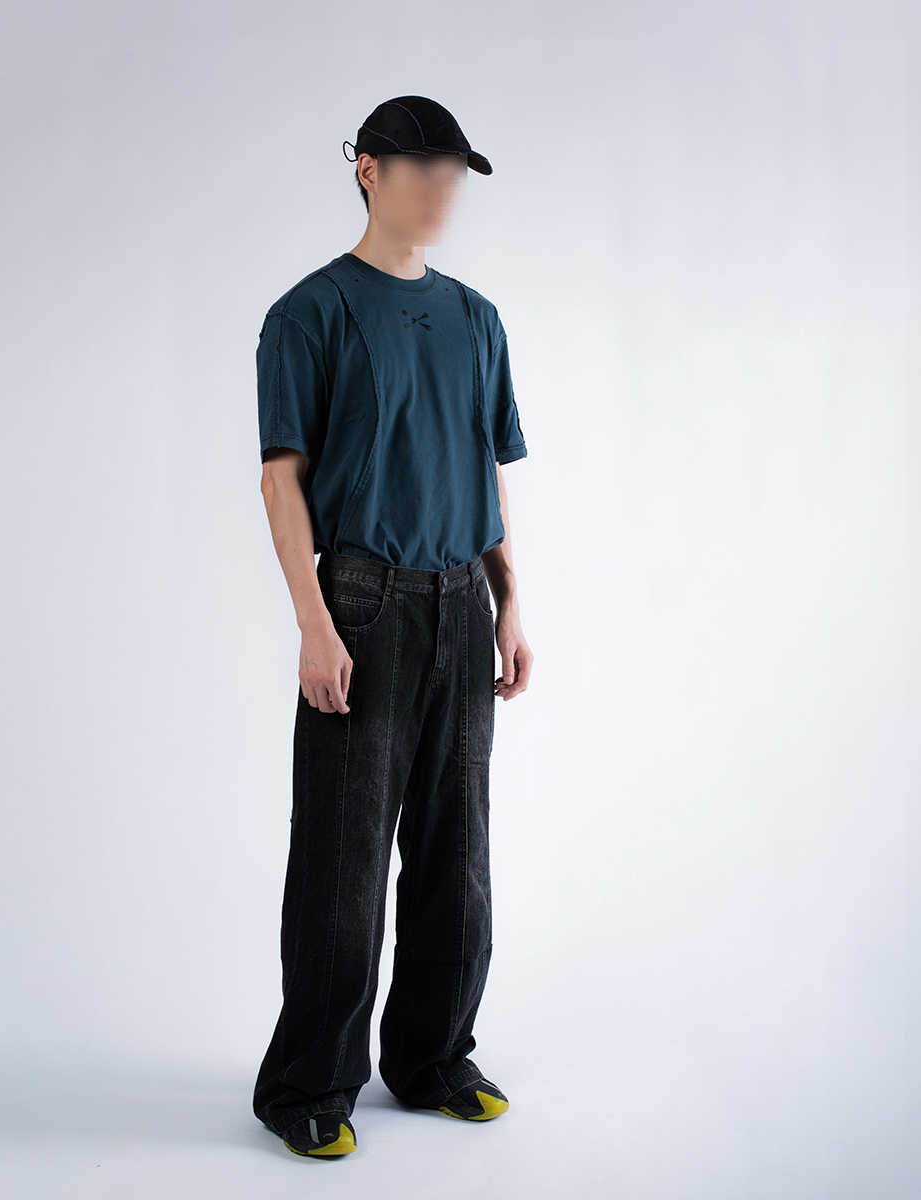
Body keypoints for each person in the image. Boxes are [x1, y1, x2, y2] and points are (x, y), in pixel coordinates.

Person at [251, 95, 534, 1158]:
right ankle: (308, 1084)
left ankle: (432, 1057)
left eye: (454, 174)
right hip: (363, 602)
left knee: (457, 850)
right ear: (367, 170)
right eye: (421, 169)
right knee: (344, 856)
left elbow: (485, 469)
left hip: (462, 600)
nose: (441, 192)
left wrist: (510, 601)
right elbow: (281, 479)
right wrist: (314, 622)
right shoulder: (310, 312)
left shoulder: (476, 318)